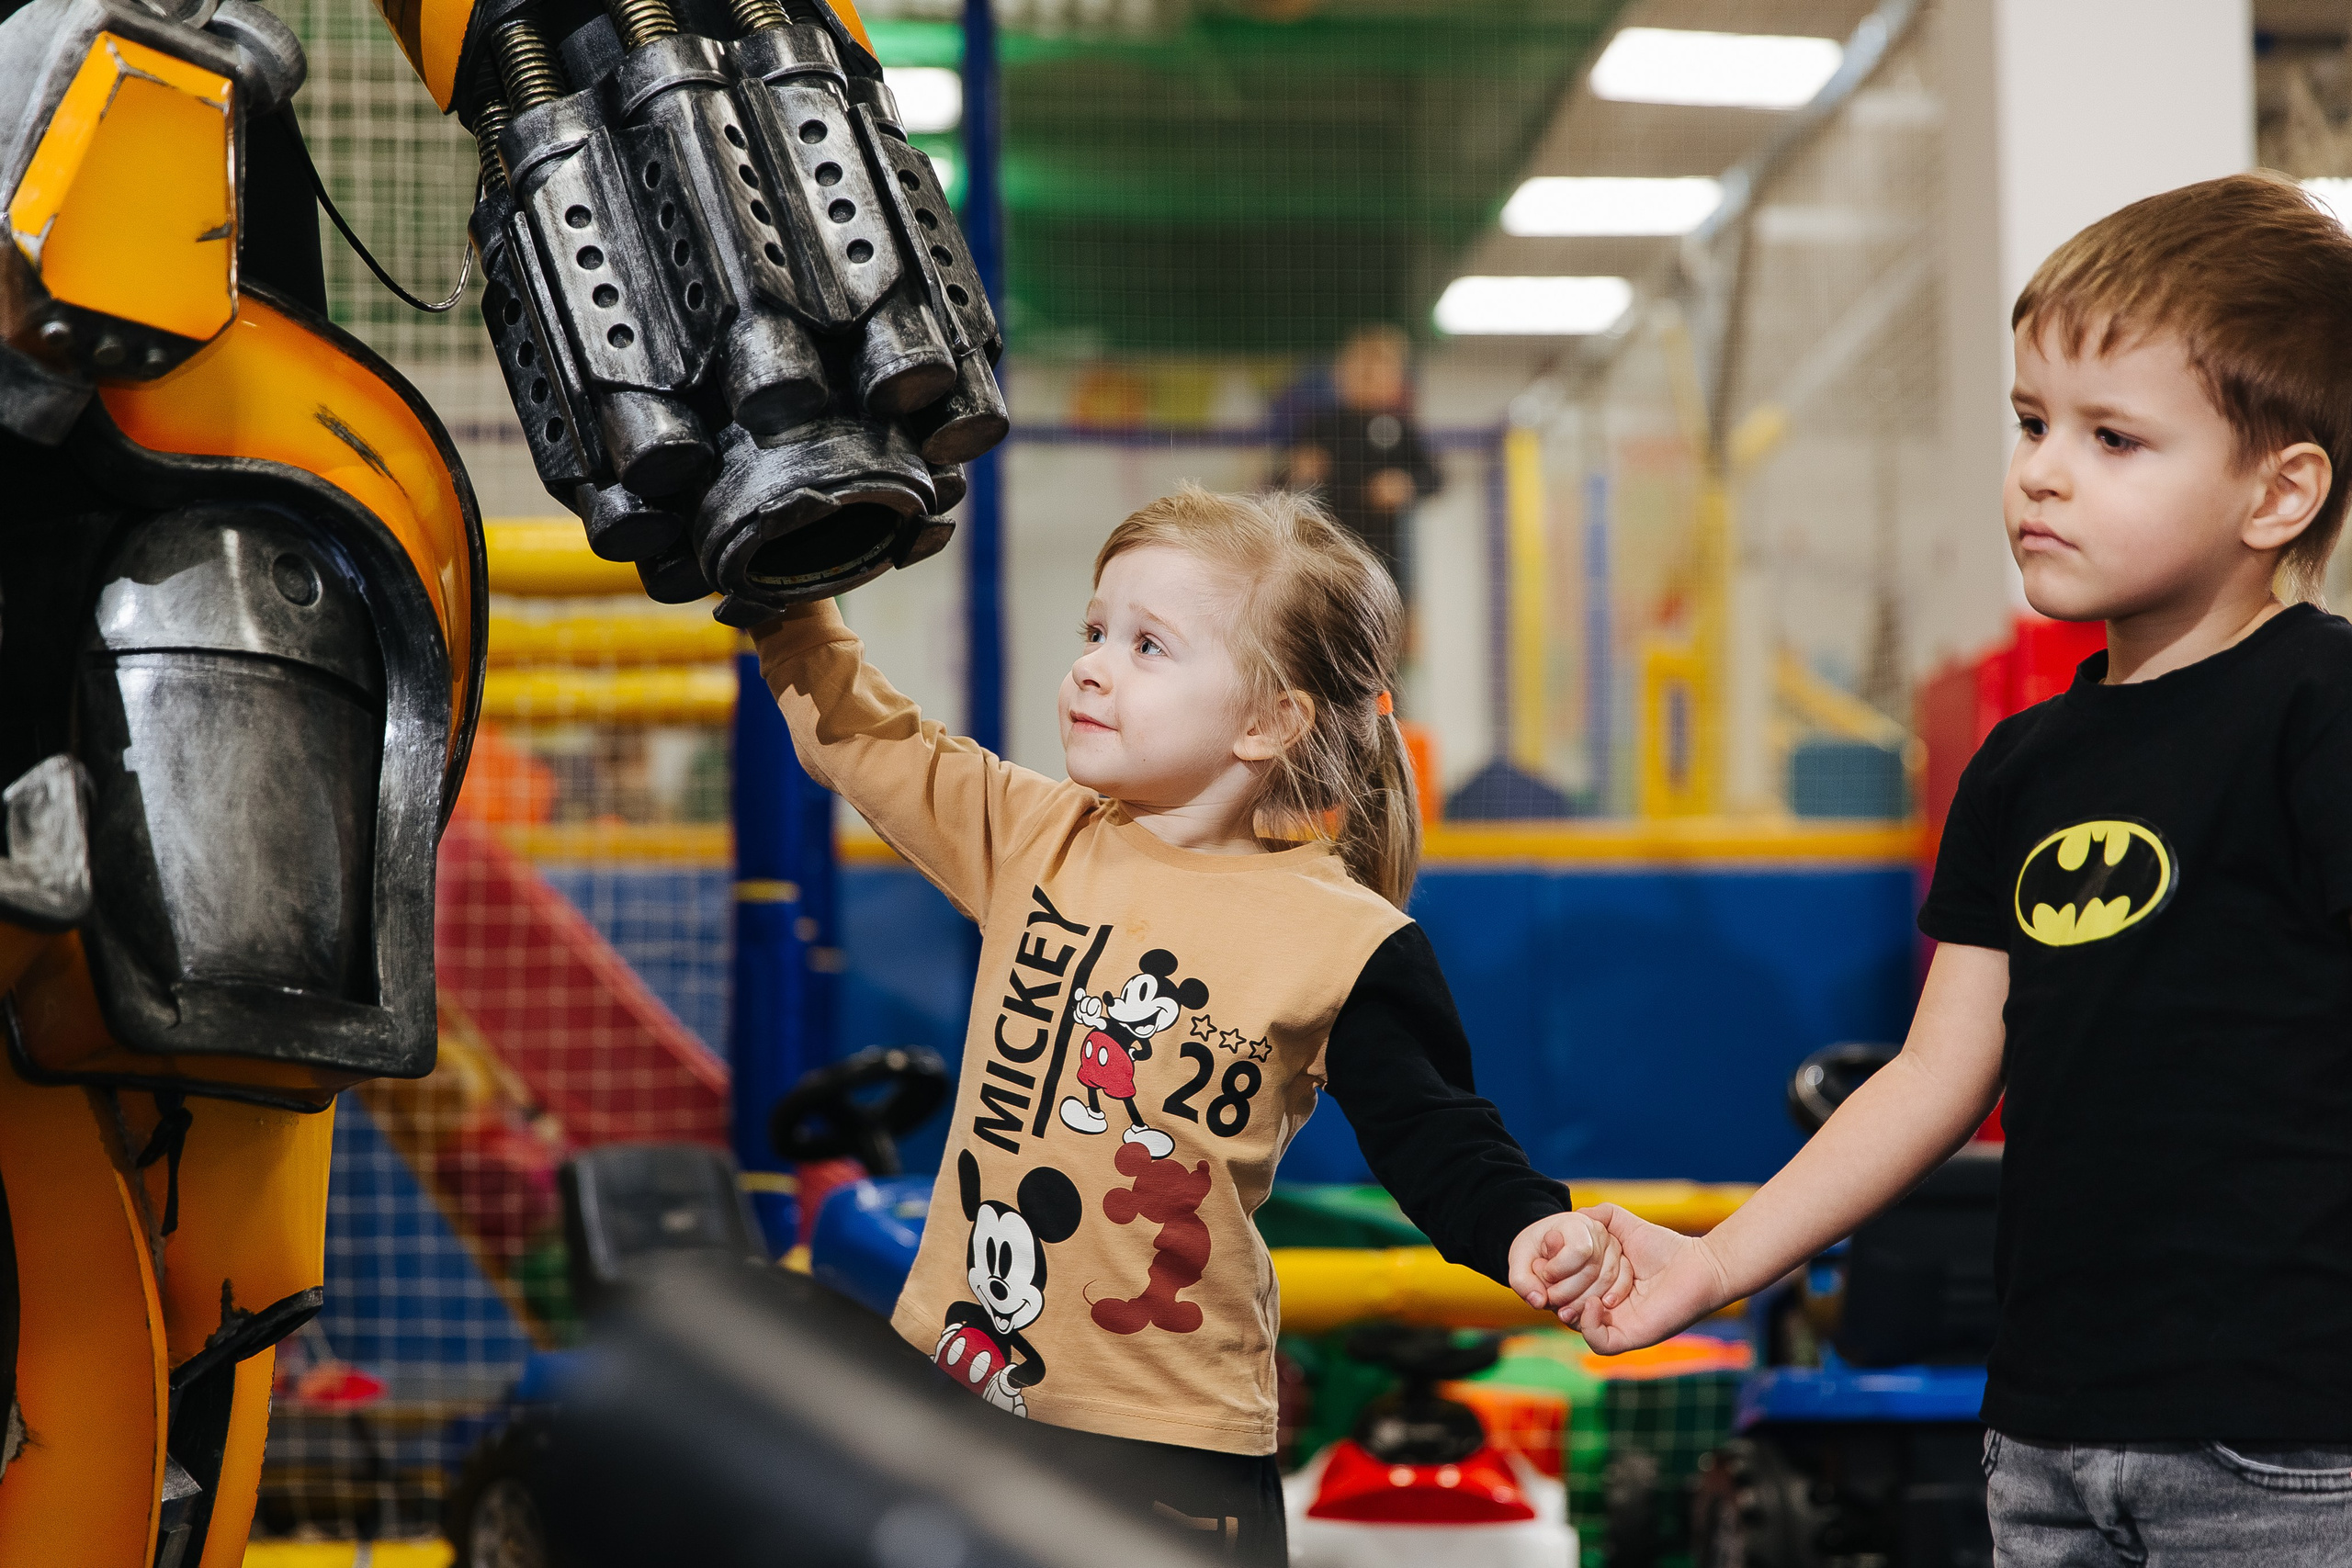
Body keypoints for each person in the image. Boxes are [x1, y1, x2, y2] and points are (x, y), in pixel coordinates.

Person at [1542, 172, 2352, 1562]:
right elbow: (1931, 1072)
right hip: (2045, 1429)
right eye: (2034, 422)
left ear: (2278, 491)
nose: (2040, 469)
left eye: (2114, 438)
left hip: (2284, 1445)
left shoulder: (2318, 715)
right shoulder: (2024, 766)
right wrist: (1724, 1257)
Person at [753, 485, 1621, 1563]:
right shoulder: (1037, 837)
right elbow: (864, 738)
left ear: (1265, 721)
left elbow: (1436, 1135)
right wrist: (784, 597)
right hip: (959, 1383)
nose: (1091, 665)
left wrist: (1528, 1226)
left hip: (1163, 1443)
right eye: (1094, 631)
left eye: (1148, 646)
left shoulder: (1340, 938)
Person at [1277, 325, 1445, 608]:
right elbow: (1281, 478)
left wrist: (1406, 485)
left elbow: (1435, 477)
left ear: (1397, 382)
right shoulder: (1322, 425)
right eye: (1361, 372)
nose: (1369, 380)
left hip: (1384, 554)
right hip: (1327, 549)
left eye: (1380, 372)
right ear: (1340, 377)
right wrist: (1299, 470)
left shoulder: (1401, 430)